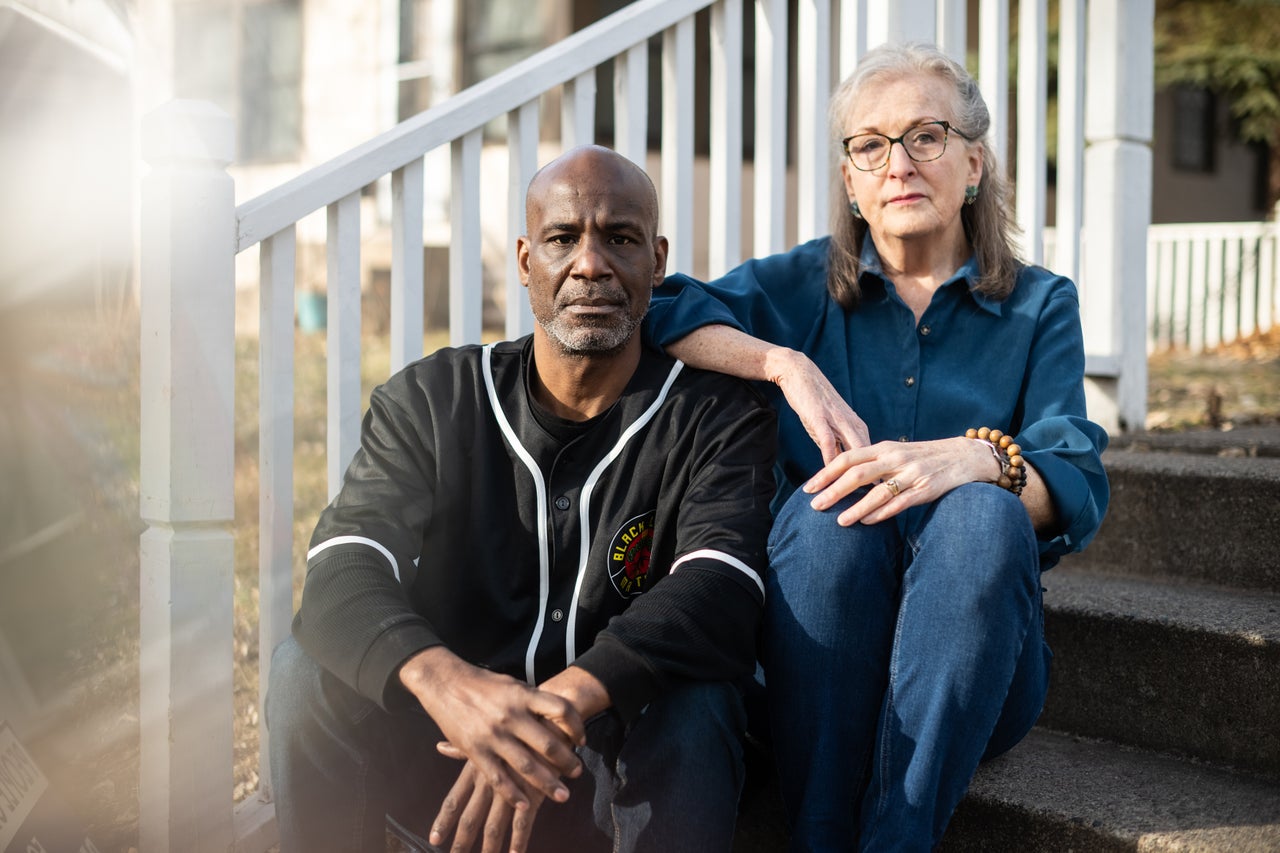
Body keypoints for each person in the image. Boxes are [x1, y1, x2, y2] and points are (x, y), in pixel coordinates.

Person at [644, 43, 1109, 850]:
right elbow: (660, 312)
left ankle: (900, 835)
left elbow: (1075, 478)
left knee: (982, 516)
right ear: (852, 184)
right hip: (811, 672)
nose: (898, 164)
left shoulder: (1041, 306)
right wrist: (781, 363)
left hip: (978, 677)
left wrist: (977, 460)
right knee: (829, 510)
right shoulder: (795, 289)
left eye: (925, 136)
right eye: (870, 146)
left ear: (973, 163)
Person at [266, 145, 777, 853]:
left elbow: (721, 586)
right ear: (525, 259)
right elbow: (344, 564)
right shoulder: (433, 398)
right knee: (304, 673)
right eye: (563, 238)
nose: (591, 263)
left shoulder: (717, 412)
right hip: (450, 757)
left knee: (700, 702)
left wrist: (566, 699)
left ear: (657, 262)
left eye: (620, 239)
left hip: (613, 774)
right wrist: (449, 685)